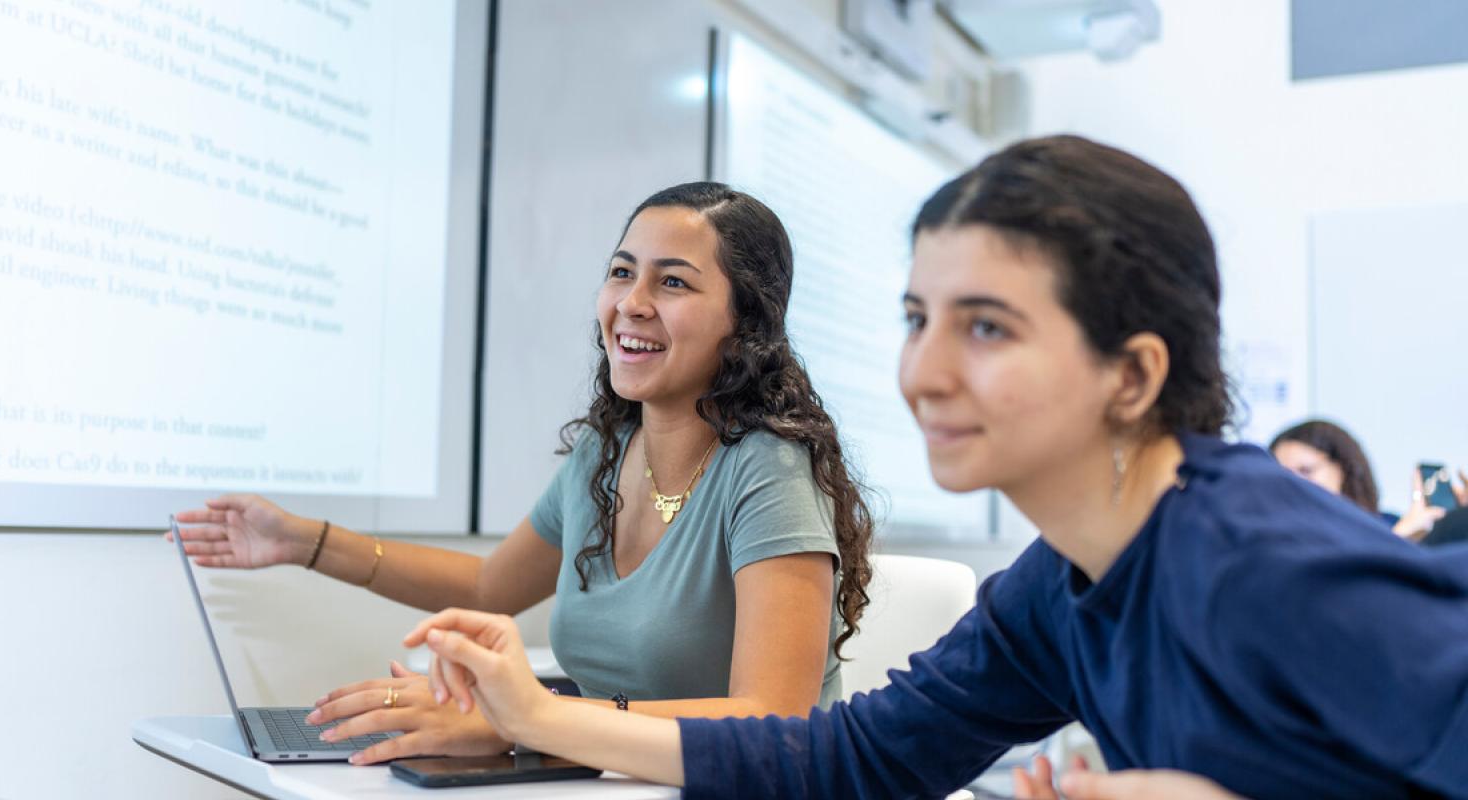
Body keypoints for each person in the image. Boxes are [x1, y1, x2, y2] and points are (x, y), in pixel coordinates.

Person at [401, 136, 1468, 799]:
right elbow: (852, 758)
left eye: (988, 327)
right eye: (918, 318)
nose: (924, 369)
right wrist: (535, 717)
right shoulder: (1056, 589)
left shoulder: (1263, 562)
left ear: (1132, 373)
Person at [171, 182, 876, 764]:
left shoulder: (769, 471)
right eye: (622, 271)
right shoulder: (607, 452)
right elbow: (489, 588)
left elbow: (774, 722)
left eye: (673, 282)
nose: (631, 302)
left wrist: (532, 720)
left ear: (746, 322)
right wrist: (306, 543)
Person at [1269, 418, 1454, 540]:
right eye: (1282, 473)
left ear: (1344, 468)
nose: (1293, 482)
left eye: (1306, 470)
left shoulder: (1388, 523)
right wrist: (1397, 541)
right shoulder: (1276, 540)